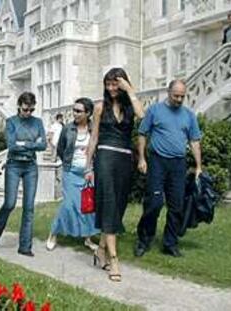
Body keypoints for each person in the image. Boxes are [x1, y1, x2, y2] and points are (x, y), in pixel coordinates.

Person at [85, 68, 145, 282]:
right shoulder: (100, 107)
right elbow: (93, 139)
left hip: (125, 160)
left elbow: (142, 116)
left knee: (118, 207)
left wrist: (130, 90)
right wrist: (88, 167)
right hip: (104, 158)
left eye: (115, 84)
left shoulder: (130, 107)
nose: (111, 88)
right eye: (108, 84)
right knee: (110, 204)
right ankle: (114, 259)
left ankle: (100, 249)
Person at [134, 79, 202, 258]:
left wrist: (199, 166)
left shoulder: (189, 115)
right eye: (176, 96)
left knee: (177, 206)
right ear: (168, 92)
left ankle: (170, 243)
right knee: (154, 203)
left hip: (178, 164)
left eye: (182, 96)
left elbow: (194, 141)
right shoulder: (155, 110)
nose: (179, 99)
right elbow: (142, 134)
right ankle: (144, 240)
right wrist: (142, 158)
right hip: (157, 162)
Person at [0, 92, 47, 257]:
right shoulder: (11, 122)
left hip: (30, 167)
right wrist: (32, 144)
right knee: (10, 203)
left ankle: (25, 246)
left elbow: (43, 145)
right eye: (25, 109)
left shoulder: (38, 122)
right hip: (14, 165)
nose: (28, 113)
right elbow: (12, 146)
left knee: (29, 207)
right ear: (19, 106)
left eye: (31, 110)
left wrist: (24, 143)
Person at [46, 98, 99, 252]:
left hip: (88, 173)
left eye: (78, 111)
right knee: (68, 205)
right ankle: (53, 233)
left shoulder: (94, 129)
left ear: (88, 113)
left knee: (87, 205)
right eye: (74, 110)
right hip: (71, 172)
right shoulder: (67, 129)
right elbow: (61, 148)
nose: (74, 113)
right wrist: (68, 163)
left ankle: (87, 238)